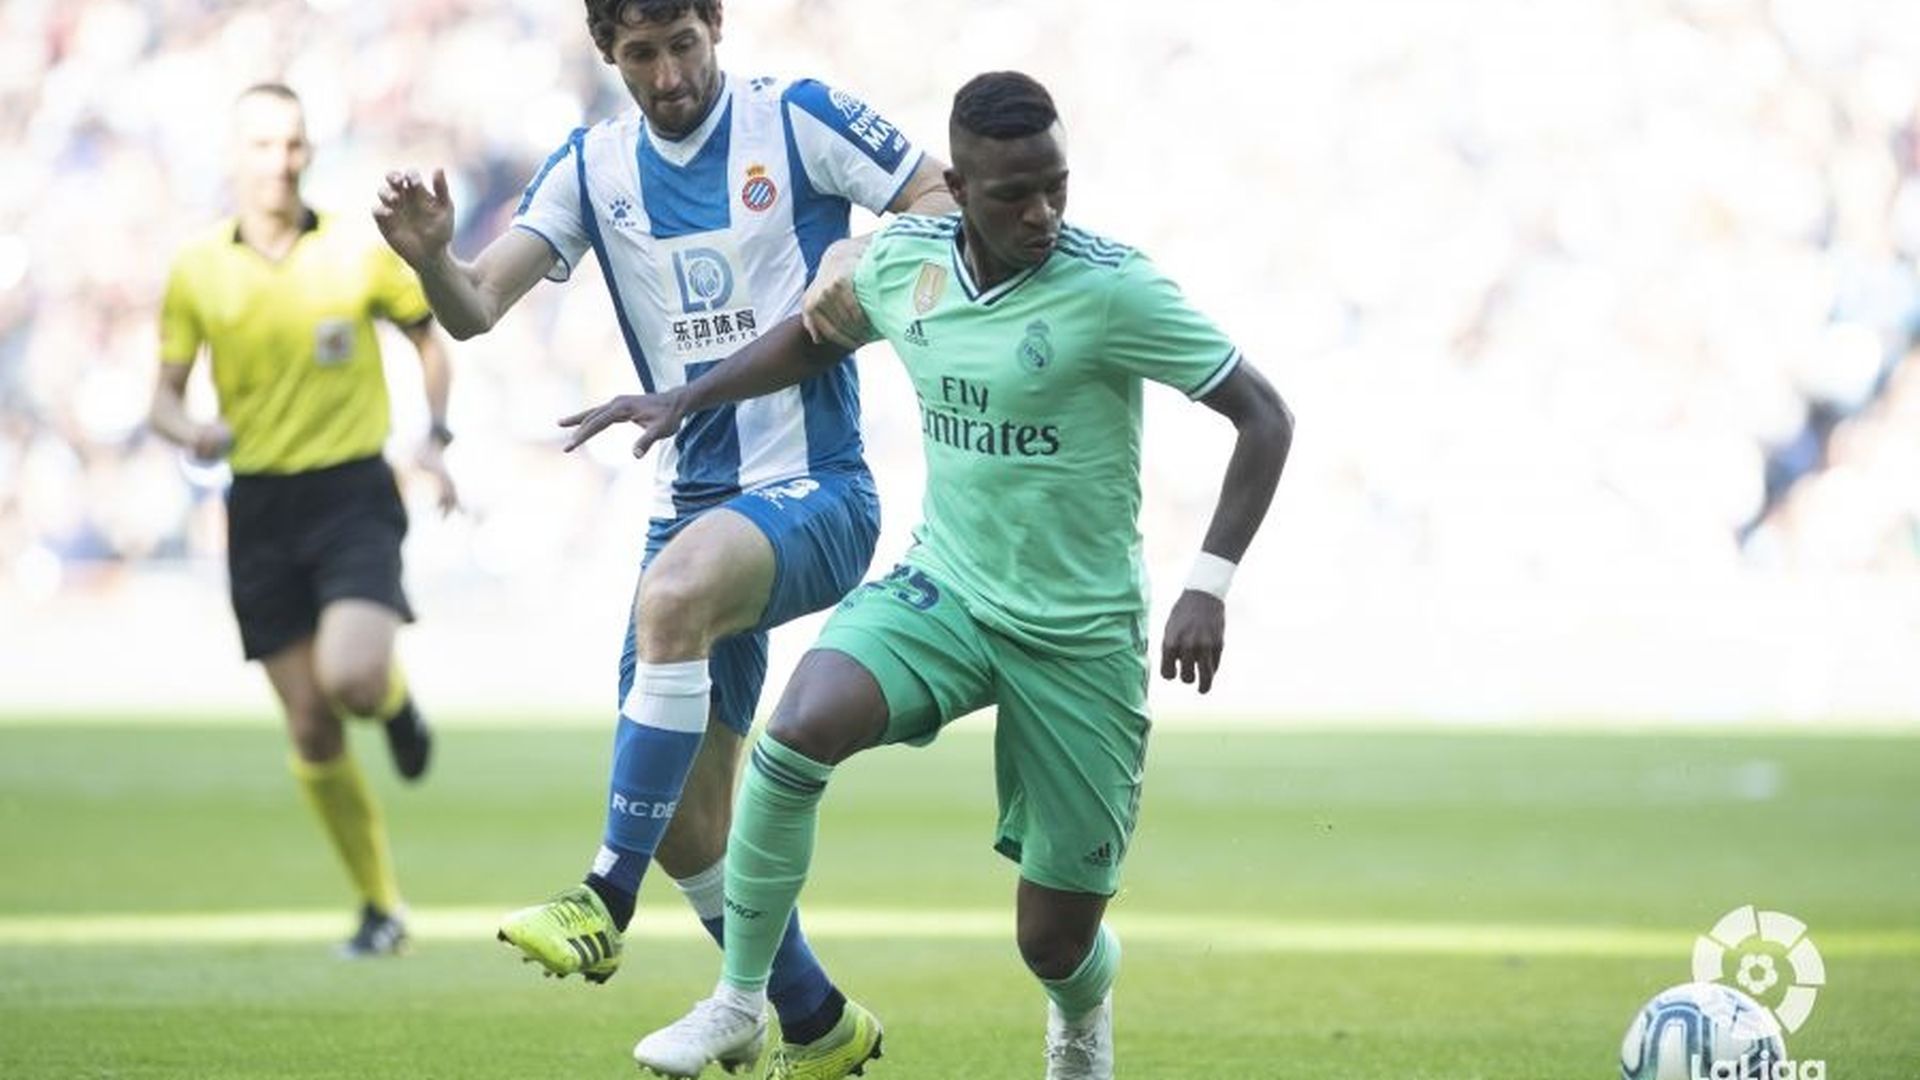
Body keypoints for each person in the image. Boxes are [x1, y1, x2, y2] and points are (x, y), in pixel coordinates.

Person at [561, 70, 1294, 1080]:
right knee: (798, 729)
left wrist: (1208, 582)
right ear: (961, 182)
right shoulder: (907, 264)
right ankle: (740, 999)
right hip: (946, 592)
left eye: (1057, 187)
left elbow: (1264, 414)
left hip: (1079, 633)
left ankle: (1081, 1013)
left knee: (1054, 941)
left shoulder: (1113, 287)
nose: (1040, 213)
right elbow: (814, 336)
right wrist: (688, 399)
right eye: (1011, 194)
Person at [372, 1, 953, 1073]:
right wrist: (430, 262)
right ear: (611, 55)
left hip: (818, 489)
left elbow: (942, 192)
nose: (670, 72)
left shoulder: (801, 118)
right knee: (693, 825)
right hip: (691, 506)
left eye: (684, 44)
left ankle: (603, 896)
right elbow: (473, 309)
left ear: (715, 28)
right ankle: (818, 1024)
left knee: (674, 598)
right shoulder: (593, 168)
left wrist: (864, 248)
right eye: (643, 53)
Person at [150, 83, 457, 958]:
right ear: (233, 154)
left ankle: (394, 704)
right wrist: (194, 431)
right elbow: (162, 403)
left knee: (353, 679)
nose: (279, 161)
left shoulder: (357, 254)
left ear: (309, 152)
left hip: (352, 493)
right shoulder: (197, 269)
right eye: (261, 145)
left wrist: (433, 439)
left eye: (292, 144)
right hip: (259, 506)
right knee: (312, 726)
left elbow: (431, 340)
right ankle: (380, 906)